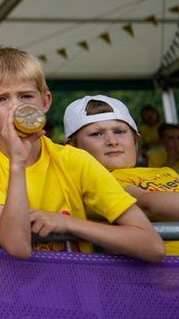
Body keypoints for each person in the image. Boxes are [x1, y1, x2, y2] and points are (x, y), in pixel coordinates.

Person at [0, 48, 163, 261]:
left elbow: (152, 246)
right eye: (0, 100)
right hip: (10, 292)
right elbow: (18, 247)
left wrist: (69, 224)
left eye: (25, 96)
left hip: (76, 291)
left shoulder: (74, 159)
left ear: (45, 102)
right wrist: (17, 164)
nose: (16, 108)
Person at [64, 95, 179, 255]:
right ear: (72, 148)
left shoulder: (165, 171)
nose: (112, 141)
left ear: (135, 140)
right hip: (163, 272)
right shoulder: (95, 184)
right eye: (97, 134)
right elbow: (150, 205)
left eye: (119, 132)